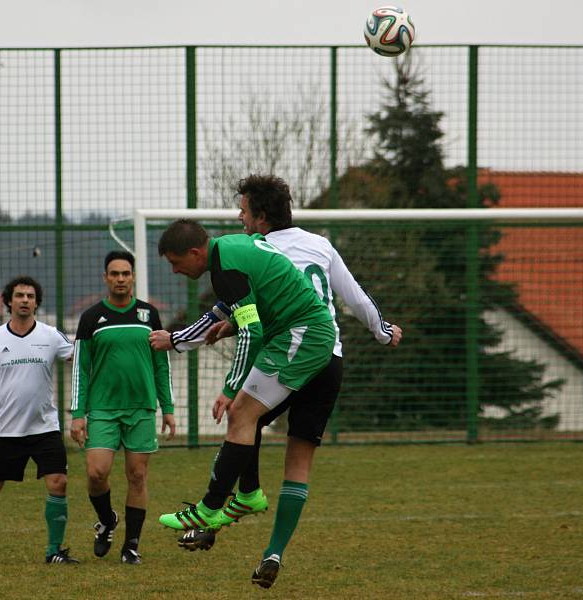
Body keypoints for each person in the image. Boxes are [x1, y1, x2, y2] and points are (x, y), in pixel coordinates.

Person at [150, 174, 402, 588]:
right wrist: (382, 329)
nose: (239, 217)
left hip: (297, 343)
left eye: (244, 211)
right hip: (328, 355)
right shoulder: (319, 244)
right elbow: (354, 297)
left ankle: (220, 507)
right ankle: (272, 550)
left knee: (243, 417)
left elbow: (238, 315)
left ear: (260, 218)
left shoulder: (251, 248)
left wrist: (183, 340)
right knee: (289, 455)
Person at [0, 276, 78, 565]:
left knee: (59, 482)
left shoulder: (51, 336)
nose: (25, 300)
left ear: (37, 302)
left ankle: (54, 551)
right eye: (20, 295)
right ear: (9, 301)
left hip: (45, 427)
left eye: (31, 296)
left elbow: (80, 357)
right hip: (7, 430)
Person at [70, 250, 175, 565]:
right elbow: (80, 368)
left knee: (137, 475)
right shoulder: (91, 318)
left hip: (141, 409)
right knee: (96, 472)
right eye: (114, 274)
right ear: (105, 278)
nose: (120, 279)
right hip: (102, 409)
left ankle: (131, 546)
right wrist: (78, 414)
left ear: (133, 277)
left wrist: (167, 407)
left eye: (125, 274)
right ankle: (107, 520)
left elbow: (161, 365)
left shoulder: (149, 315)